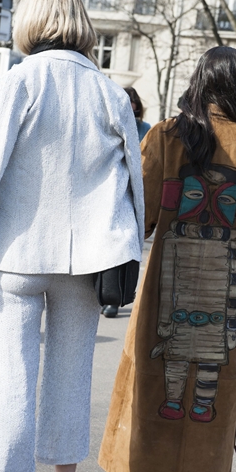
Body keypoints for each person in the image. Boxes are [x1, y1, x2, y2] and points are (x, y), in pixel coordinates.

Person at [88, 46, 236, 472]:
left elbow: (137, 213)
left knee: (149, 384)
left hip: (163, 291)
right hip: (235, 296)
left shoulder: (164, 135)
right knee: (212, 395)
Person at [0, 0, 144, 472]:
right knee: (70, 377)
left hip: (15, 254)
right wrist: (131, 246)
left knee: (10, 377)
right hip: (88, 261)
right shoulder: (110, 93)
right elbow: (133, 185)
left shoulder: (15, 83)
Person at [102, 87, 151, 319]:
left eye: (134, 100)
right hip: (113, 189)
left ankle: (113, 297)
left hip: (135, 190)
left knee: (123, 244)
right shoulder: (108, 121)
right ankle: (106, 293)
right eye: (127, 99)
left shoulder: (145, 129)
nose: (131, 104)